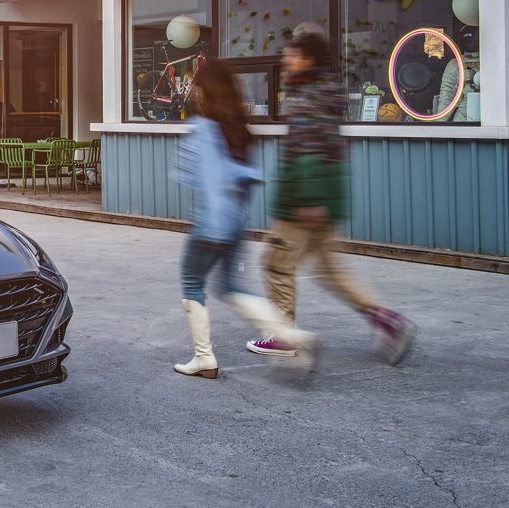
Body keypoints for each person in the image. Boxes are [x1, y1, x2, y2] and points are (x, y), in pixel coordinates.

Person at [247, 32, 416, 364]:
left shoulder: (307, 97)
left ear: (307, 59)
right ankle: (388, 321)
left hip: (303, 202)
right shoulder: (324, 91)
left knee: (276, 264)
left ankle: (284, 336)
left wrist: (308, 201)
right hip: (326, 197)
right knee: (329, 271)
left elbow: (309, 151)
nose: (285, 60)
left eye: (291, 54)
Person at [171, 59, 312, 379]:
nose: (194, 93)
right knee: (231, 286)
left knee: (192, 281)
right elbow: (248, 178)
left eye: (197, 86)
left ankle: (204, 358)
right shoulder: (239, 129)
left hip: (211, 223)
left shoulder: (203, 129)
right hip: (236, 221)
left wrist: (211, 226)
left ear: (205, 91)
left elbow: (202, 178)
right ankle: (289, 334)